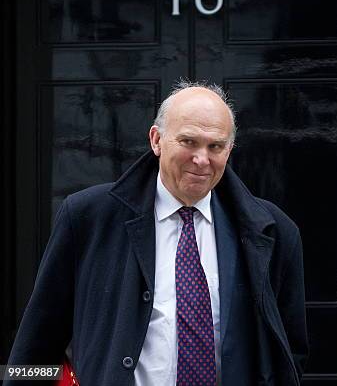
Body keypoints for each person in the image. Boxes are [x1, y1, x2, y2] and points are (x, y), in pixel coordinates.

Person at [7, 81, 308, 385]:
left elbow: (289, 355)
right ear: (157, 140)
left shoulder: (272, 230)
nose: (202, 159)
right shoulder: (87, 217)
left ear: (229, 149)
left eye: (215, 146)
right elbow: (34, 349)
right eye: (188, 142)